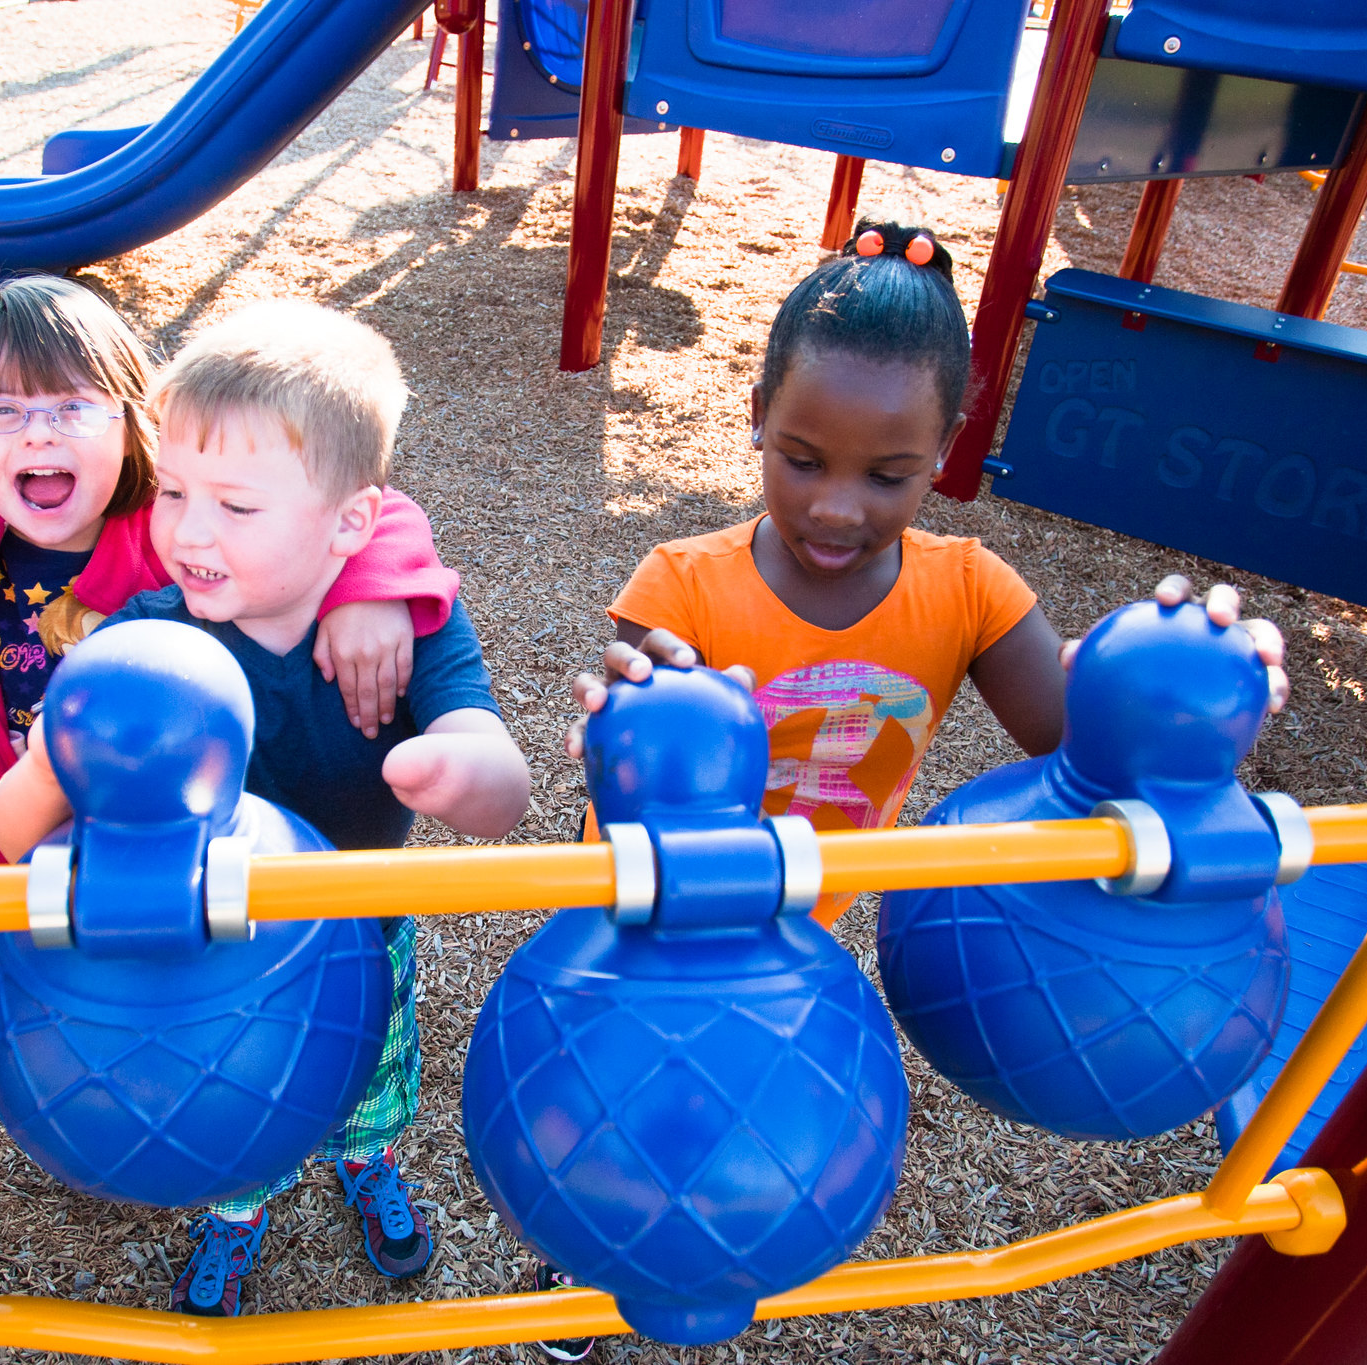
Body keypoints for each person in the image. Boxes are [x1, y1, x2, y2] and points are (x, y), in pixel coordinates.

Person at [551, 221, 1287, 1363]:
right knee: (625, 1097)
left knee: (742, 1105)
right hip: (649, 917)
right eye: (801, 458)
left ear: (944, 449)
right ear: (753, 415)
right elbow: (649, 728)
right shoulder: (679, 585)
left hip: (809, 913)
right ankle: (578, 1253)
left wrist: (1189, 676)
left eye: (887, 475)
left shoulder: (970, 591)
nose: (836, 508)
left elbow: (1079, 742)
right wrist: (624, 702)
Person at [0, 300, 531, 1319]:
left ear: (350, 523)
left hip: (361, 927)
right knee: (233, 1099)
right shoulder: (143, 642)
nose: (189, 531)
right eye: (177, 492)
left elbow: (501, 788)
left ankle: (366, 1164)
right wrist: (54, 759)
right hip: (209, 953)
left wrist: (450, 765)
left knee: (370, 1084)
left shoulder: (409, 624)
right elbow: (15, 835)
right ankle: (234, 1211)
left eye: (236, 507)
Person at [0, 280, 461, 978]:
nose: (39, 434)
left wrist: (370, 588)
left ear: (133, 422)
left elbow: (364, 507)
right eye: (1, 411)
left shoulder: (177, 521)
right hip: (25, 861)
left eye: (75, 408)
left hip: (178, 860)